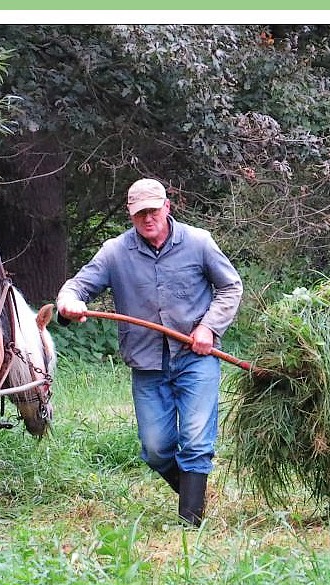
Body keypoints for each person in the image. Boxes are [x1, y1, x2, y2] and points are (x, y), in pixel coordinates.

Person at [56, 178, 243, 526]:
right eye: (140, 213)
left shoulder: (199, 243)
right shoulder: (115, 252)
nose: (147, 219)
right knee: (156, 449)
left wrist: (208, 327)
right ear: (131, 215)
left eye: (153, 210)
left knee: (196, 439)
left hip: (196, 359)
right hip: (147, 365)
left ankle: (191, 523)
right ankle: (195, 495)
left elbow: (230, 287)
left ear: (167, 207)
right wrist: (69, 301)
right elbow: (77, 286)